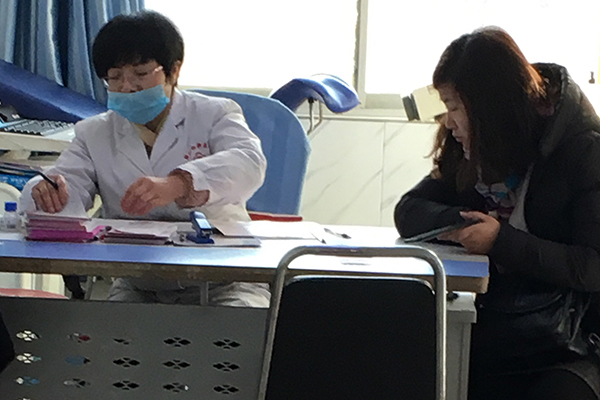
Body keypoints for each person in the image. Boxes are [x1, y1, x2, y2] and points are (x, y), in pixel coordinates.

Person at [394, 27, 600, 400]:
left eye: (454, 107)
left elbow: (592, 266)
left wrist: (499, 241)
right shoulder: (471, 145)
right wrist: (464, 223)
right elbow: (408, 210)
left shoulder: (584, 150)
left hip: (571, 343)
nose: (448, 121)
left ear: (488, 107)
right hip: (498, 325)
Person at [19, 11, 270, 307]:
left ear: (174, 71)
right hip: (140, 283)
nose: (127, 86)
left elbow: (249, 162)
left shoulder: (215, 113)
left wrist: (181, 183)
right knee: (111, 331)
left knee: (236, 325)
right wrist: (49, 192)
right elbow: (68, 184)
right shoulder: (94, 132)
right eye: (115, 77)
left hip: (225, 279)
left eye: (140, 74)